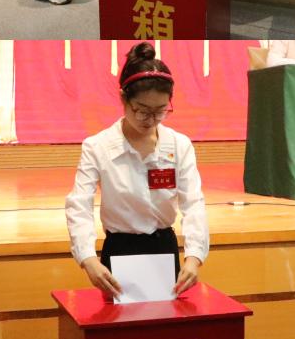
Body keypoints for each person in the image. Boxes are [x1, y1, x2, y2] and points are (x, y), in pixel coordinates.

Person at [65, 43, 209, 301]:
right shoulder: (97, 146)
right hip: (119, 249)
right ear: (124, 99)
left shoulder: (179, 145)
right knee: (117, 322)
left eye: (160, 111)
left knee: (165, 322)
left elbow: (193, 203)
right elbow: (79, 205)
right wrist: (88, 259)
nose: (151, 120)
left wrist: (194, 257)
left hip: (164, 249)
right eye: (142, 110)